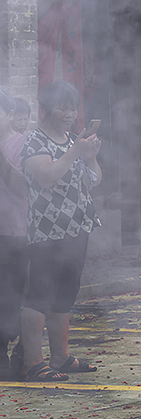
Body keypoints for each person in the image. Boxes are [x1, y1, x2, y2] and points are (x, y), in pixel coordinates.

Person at [16, 82, 101, 381]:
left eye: (72, 107)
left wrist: (89, 157)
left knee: (67, 292)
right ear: (46, 109)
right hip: (48, 230)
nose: (69, 113)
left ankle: (61, 357)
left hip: (78, 227)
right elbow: (47, 177)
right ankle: (32, 362)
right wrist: (75, 151)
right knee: (41, 293)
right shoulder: (35, 141)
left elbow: (93, 180)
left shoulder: (71, 140)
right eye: (62, 107)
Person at [0, 89, 28, 379]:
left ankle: (15, 352)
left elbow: (24, 187)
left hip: (15, 232)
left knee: (11, 296)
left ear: (10, 115)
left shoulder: (23, 145)